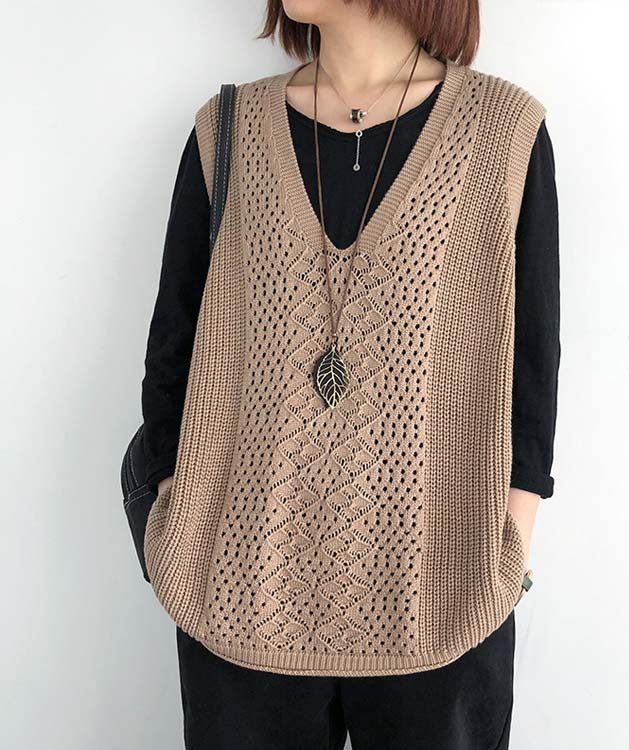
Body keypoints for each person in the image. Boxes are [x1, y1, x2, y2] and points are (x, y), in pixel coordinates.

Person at [139, 1, 560, 747]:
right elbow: (174, 346)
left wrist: (510, 542)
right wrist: (175, 511)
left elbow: (531, 362)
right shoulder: (228, 129)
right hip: (239, 591)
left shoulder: (502, 132)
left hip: (441, 590)